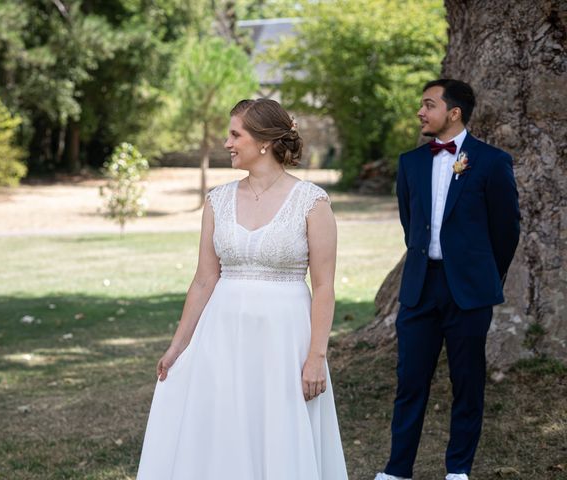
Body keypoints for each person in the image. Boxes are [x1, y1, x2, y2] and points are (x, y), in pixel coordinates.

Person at [136, 98, 349, 480]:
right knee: (224, 428)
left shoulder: (312, 202)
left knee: (277, 429)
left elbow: (324, 287)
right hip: (222, 334)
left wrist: (316, 356)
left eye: (236, 134)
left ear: (264, 141)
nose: (227, 143)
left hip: (285, 338)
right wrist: (178, 345)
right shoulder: (217, 200)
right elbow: (204, 279)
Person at [375, 79, 520, 480]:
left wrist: (485, 276)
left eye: (428, 105)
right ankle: (397, 469)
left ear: (453, 113)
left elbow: (506, 229)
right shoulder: (411, 163)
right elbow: (410, 224)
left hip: (469, 291)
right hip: (420, 288)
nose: (421, 112)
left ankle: (458, 469)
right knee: (410, 382)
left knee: (467, 382)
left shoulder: (492, 162)